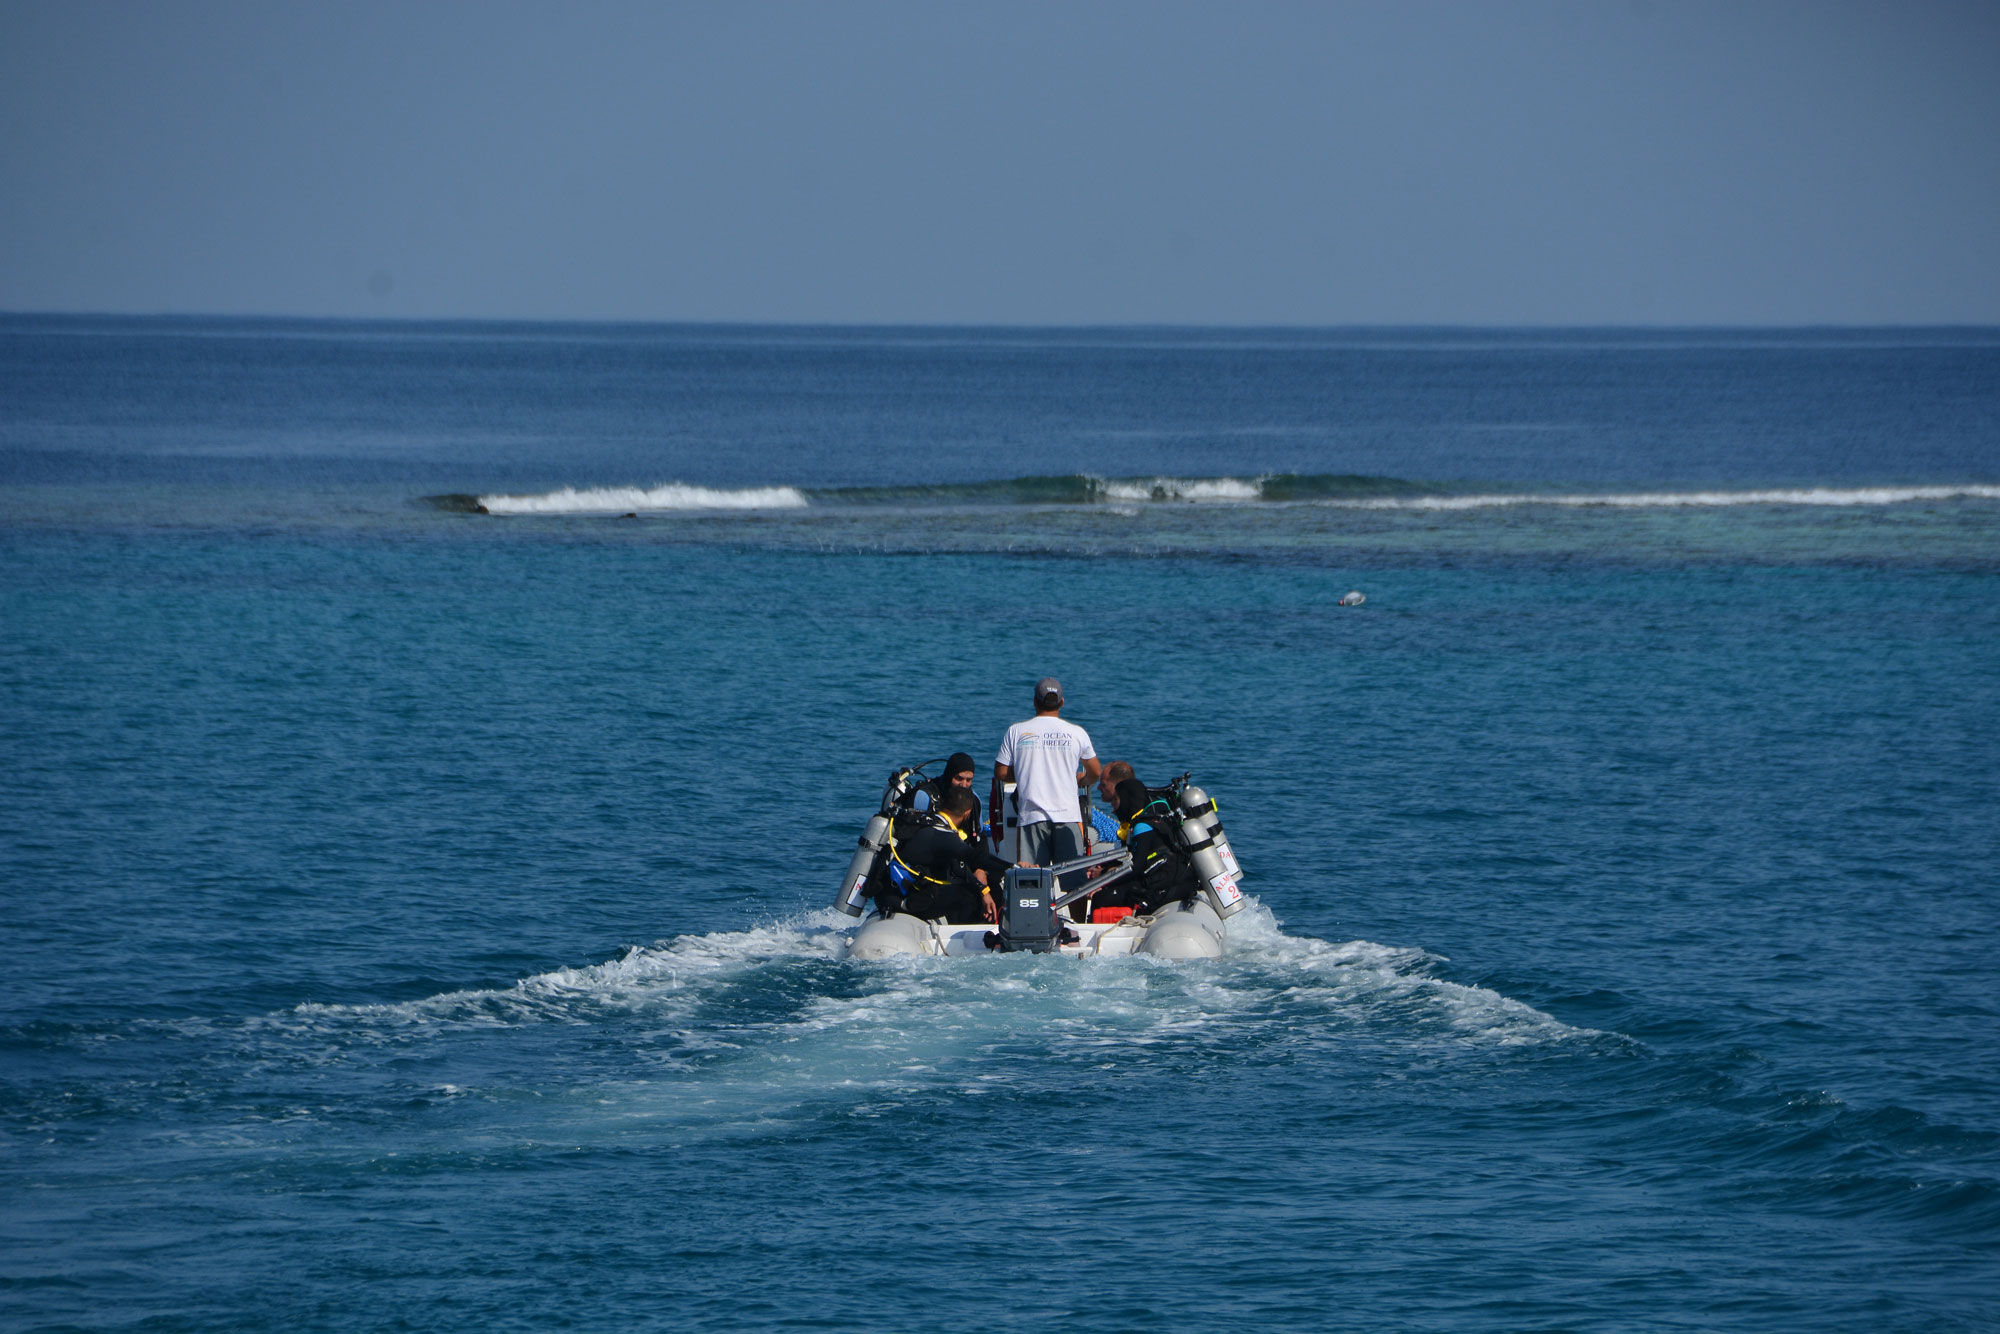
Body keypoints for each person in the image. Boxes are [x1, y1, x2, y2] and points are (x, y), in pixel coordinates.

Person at [994, 677, 1101, 866]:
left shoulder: (1016, 731)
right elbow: (1096, 772)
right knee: (1072, 881)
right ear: (1061, 702)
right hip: (1068, 816)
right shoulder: (1077, 733)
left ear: (1035, 701)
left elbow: (1001, 772)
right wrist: (1082, 780)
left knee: (1031, 880)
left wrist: (1022, 772)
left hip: (1032, 817)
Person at [883, 786, 1008, 922]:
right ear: (967, 813)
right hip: (901, 900)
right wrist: (1012, 867)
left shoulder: (927, 822)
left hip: (893, 892)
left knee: (969, 887)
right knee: (968, 896)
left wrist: (983, 890)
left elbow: (959, 868)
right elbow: (976, 858)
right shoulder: (944, 836)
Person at [1090, 777, 1202, 915]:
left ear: (1127, 799)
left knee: (1100, 898)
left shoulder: (1142, 826)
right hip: (1176, 880)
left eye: (1116, 800)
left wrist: (1104, 880)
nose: (1113, 806)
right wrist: (1107, 869)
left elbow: (1136, 867)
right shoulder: (1155, 819)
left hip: (1164, 886)